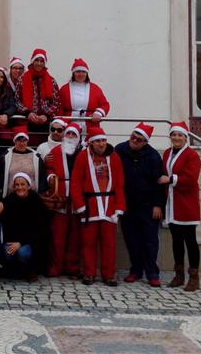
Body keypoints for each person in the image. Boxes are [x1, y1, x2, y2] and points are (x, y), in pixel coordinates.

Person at [71, 127, 126, 286]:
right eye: (97, 141)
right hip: (90, 206)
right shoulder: (82, 157)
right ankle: (89, 273)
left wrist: (119, 207)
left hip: (109, 206)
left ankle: (108, 274)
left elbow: (120, 184)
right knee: (88, 242)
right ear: (91, 143)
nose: (101, 144)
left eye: (103, 140)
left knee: (109, 243)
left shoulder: (114, 157)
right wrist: (80, 205)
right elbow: (76, 183)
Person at [115, 122, 165, 287]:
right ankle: (135, 270)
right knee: (131, 240)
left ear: (145, 142)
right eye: (132, 137)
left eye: (138, 139)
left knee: (150, 241)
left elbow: (158, 182)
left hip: (148, 205)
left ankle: (152, 272)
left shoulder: (153, 157)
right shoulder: (120, 150)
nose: (134, 140)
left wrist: (158, 205)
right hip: (127, 205)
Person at [158, 122, 201, 292]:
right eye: (173, 135)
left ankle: (194, 276)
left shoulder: (192, 155)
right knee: (176, 240)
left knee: (190, 240)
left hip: (186, 202)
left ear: (186, 137)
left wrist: (170, 180)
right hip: (172, 202)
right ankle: (179, 274)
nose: (176, 138)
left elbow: (191, 178)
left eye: (179, 135)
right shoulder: (168, 153)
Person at [44, 122, 83, 278]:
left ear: (78, 137)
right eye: (68, 134)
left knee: (75, 237)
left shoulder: (83, 153)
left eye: (73, 135)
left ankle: (72, 267)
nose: (70, 137)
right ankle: (56, 266)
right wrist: (50, 177)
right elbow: (48, 169)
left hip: (77, 199)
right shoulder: (54, 151)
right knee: (57, 236)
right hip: (59, 196)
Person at [0, 172, 49, 282]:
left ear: (29, 186)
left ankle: (30, 270)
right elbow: (5, 223)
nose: (20, 187)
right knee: (8, 252)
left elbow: (38, 230)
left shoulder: (36, 202)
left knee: (23, 253)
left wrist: (20, 243)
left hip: (30, 241)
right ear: (13, 187)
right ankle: (17, 270)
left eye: (23, 184)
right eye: (17, 185)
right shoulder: (9, 200)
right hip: (12, 239)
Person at [0, 126, 47, 202]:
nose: (22, 143)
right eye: (19, 140)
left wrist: (41, 192)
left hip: (31, 197)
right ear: (14, 141)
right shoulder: (5, 156)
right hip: (10, 196)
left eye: (24, 140)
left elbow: (42, 175)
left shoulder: (36, 157)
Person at [58, 58, 110, 138]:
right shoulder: (64, 89)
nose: (80, 74)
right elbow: (59, 108)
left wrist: (98, 113)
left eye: (83, 72)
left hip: (90, 126)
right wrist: (61, 123)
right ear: (73, 73)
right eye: (78, 72)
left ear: (87, 73)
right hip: (69, 127)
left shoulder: (95, 88)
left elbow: (105, 104)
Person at [15, 49, 60, 140]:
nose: (39, 63)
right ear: (32, 61)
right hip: (27, 122)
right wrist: (27, 113)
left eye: (42, 61)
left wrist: (46, 115)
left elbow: (56, 102)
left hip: (46, 123)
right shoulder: (22, 79)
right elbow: (17, 100)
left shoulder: (51, 81)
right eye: (37, 60)